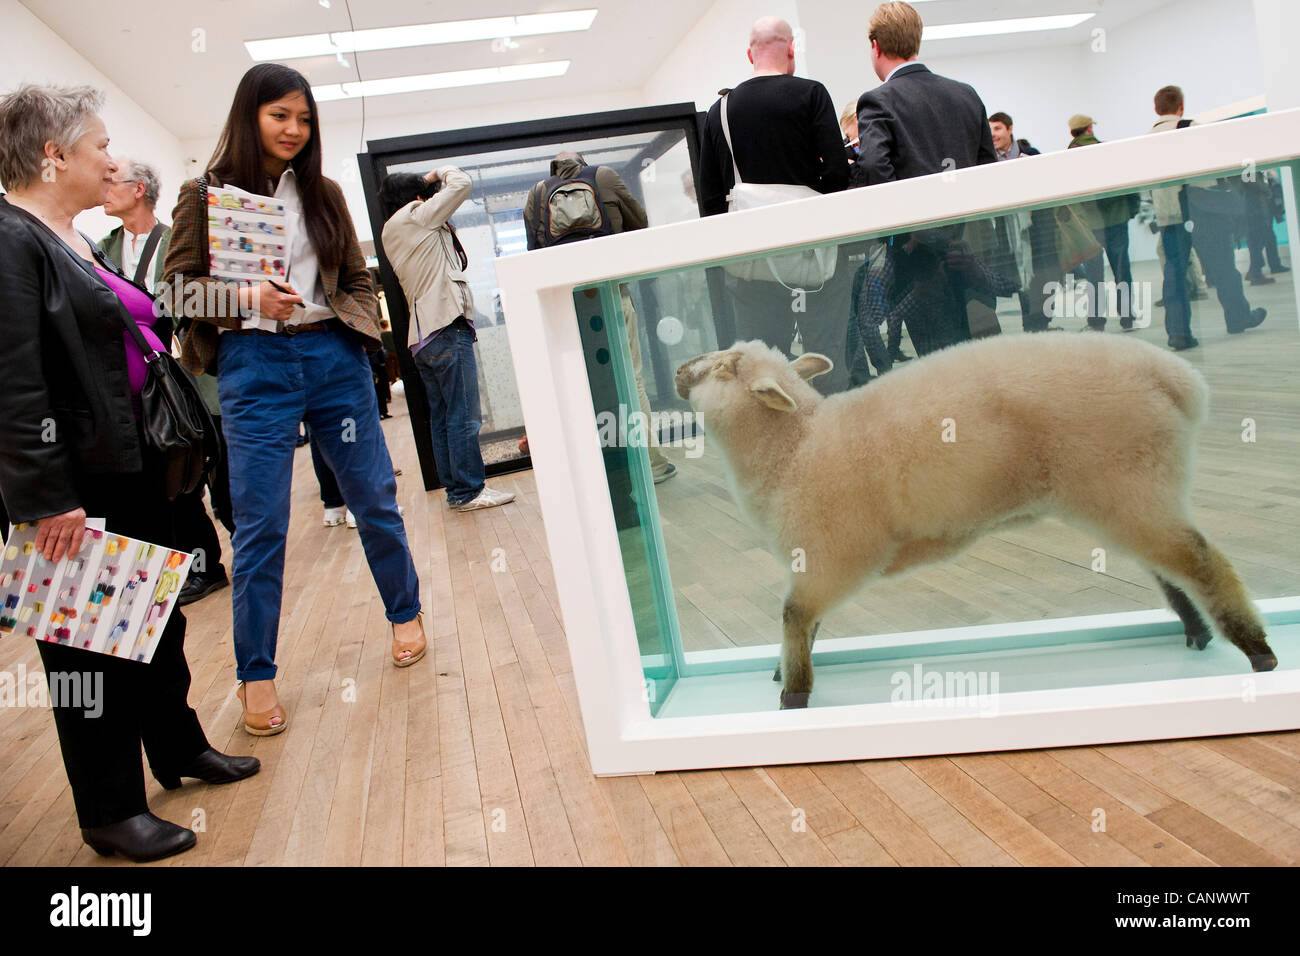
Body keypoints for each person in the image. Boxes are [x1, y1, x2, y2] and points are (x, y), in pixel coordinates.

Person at [0, 83, 258, 863]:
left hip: (132, 464)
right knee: (89, 651)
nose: (113, 162)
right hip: (76, 486)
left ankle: (177, 746)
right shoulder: (11, 240)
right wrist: (46, 499)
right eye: (101, 147)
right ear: (55, 156)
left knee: (157, 622)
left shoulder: (69, 236)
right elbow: (12, 382)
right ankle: (110, 810)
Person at [162, 63, 427, 737]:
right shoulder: (204, 194)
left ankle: (406, 612)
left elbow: (358, 277)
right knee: (260, 525)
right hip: (253, 363)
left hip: (332, 357)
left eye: (304, 118)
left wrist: (357, 330)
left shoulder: (324, 192)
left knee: (373, 498)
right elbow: (174, 292)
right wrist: (247, 298)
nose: (293, 129)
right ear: (248, 115)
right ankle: (256, 672)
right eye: (279, 115)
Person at [698, 16, 852, 391]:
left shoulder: (720, 111)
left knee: (761, 370)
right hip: (815, 258)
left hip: (753, 266)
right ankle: (828, 423)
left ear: (750, 55)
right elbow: (838, 174)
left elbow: (710, 199)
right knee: (825, 359)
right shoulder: (812, 94)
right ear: (791, 49)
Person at [521, 151, 679, 480]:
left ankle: (598, 471)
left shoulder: (536, 195)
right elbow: (640, 224)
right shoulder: (604, 176)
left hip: (568, 305)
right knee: (632, 379)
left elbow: (533, 253)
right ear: (582, 162)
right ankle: (652, 465)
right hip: (612, 294)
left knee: (580, 383)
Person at [855, 1, 998, 356]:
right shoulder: (965, 94)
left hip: (917, 258)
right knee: (981, 352)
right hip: (969, 247)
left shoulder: (878, 100)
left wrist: (904, 234)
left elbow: (875, 167)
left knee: (939, 361)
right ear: (916, 40)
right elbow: (988, 169)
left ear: (875, 45)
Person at [382, 166, 520, 507]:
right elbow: (462, 183)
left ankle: (456, 490)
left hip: (423, 337)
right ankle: (470, 490)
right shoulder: (417, 215)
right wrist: (436, 174)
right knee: (464, 413)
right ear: (418, 197)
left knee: (443, 417)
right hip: (445, 327)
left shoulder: (391, 228)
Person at [1149, 84, 1265, 350]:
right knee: (1223, 266)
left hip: (1168, 214)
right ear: (1181, 106)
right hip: (1202, 208)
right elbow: (1216, 163)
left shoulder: (1146, 139)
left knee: (1175, 273)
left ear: (1156, 109)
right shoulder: (1191, 127)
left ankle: (1178, 333)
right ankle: (1238, 317)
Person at [1065, 114, 1138, 330]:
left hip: (1088, 225)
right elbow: (1129, 182)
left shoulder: (1068, 158)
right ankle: (1128, 317)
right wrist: (1132, 208)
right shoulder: (1107, 150)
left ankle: (1096, 321)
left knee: (1094, 274)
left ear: (1072, 133)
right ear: (1089, 129)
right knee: (1122, 269)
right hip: (1117, 218)